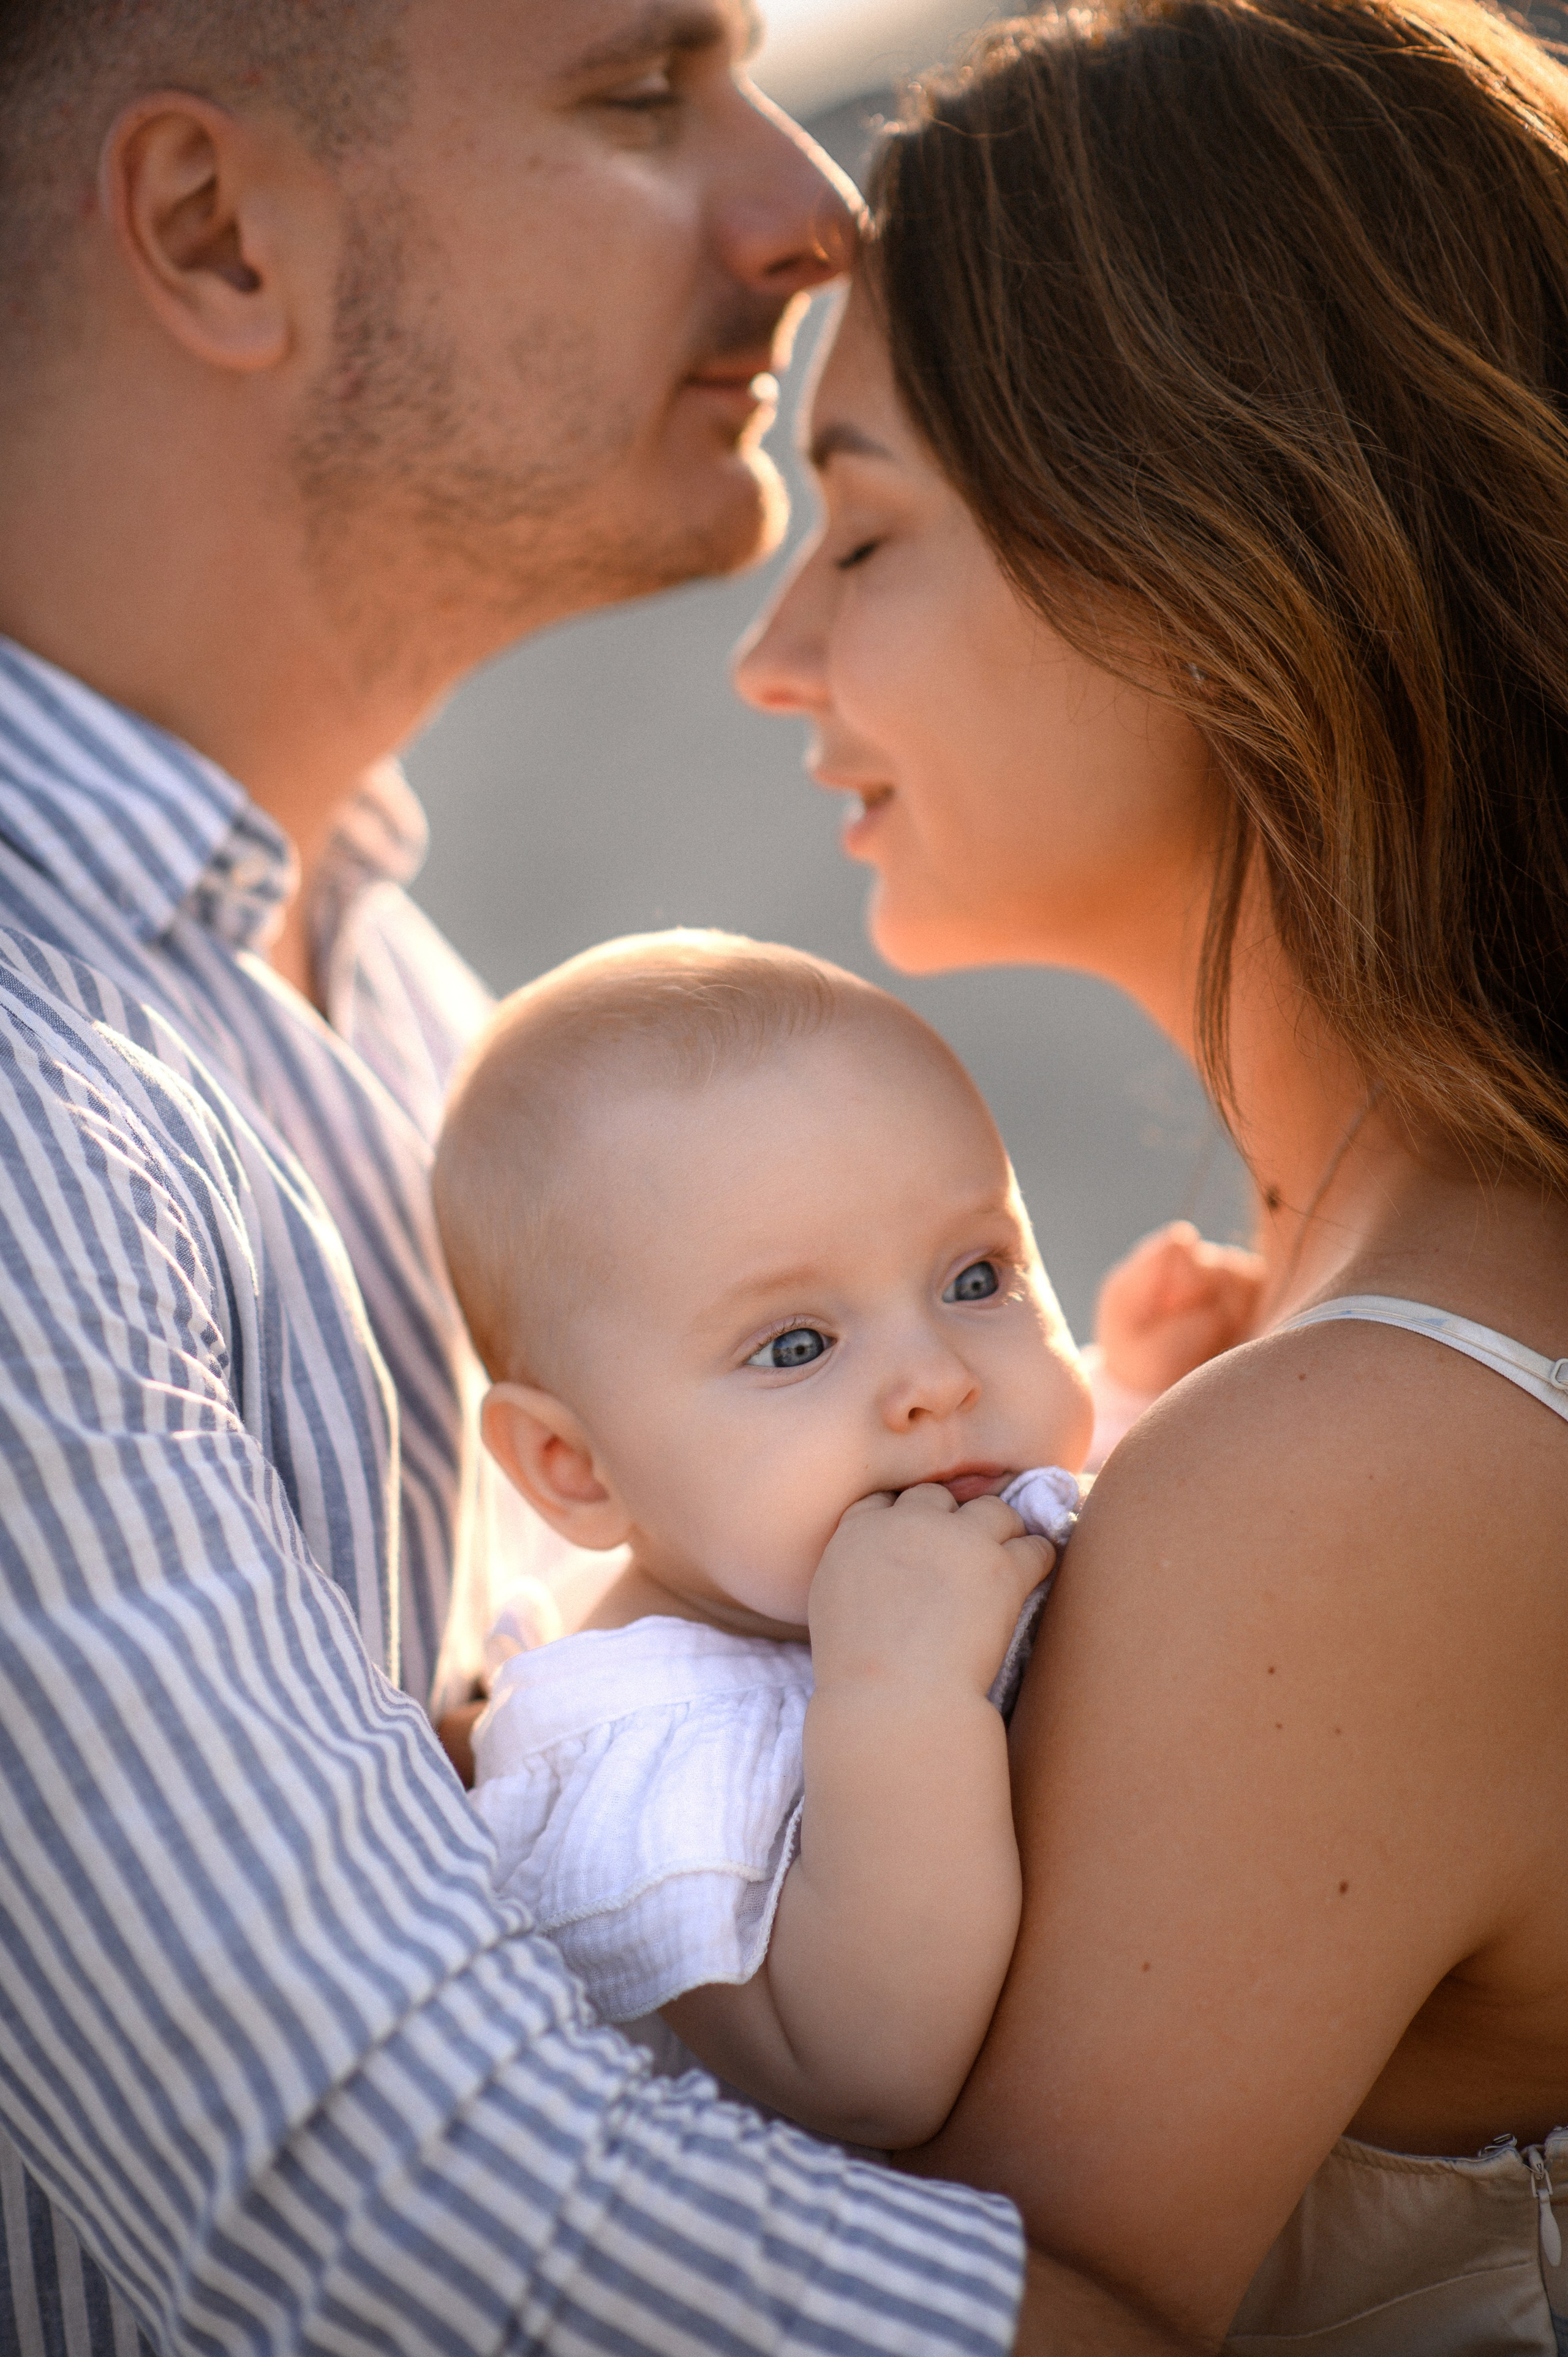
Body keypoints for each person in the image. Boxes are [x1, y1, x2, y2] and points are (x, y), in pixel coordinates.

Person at [0, 3, 1200, 2353]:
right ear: (217, 232)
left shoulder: (404, 1004)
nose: (812, 209)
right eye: (642, 95)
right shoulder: (37, 1111)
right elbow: (401, 2226)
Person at [734, 0, 1568, 2345]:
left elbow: (1018, 2311)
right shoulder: (1345, 1333)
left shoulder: (1368, 1458)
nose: (774, 658)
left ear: (1195, 553)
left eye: (868, 528)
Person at [434, 929, 1089, 2148]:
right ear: (574, 1470)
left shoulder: (855, 1508)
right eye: (794, 1346)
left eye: (977, 1276)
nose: (936, 1380)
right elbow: (859, 2070)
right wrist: (897, 1696)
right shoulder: (635, 1741)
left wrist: (1158, 1380)